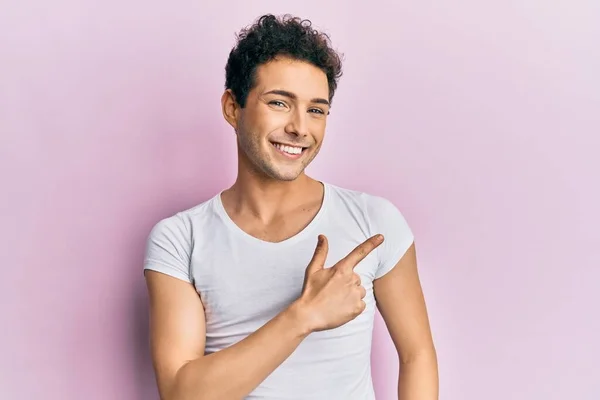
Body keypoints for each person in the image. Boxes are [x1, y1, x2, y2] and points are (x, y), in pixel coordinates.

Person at [143, 14, 438, 400]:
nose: (301, 127)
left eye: (316, 109)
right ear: (233, 107)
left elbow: (417, 356)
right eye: (280, 102)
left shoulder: (373, 221)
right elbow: (182, 393)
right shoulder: (180, 239)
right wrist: (304, 316)